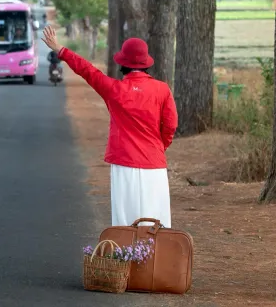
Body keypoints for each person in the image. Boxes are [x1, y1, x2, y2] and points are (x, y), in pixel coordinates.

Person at [41, 26, 178, 228]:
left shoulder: (114, 89)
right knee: (157, 222)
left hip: (124, 163)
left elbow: (87, 71)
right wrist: (157, 148)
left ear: (122, 63)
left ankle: (126, 258)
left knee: (125, 222)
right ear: (146, 63)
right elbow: (170, 126)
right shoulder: (162, 90)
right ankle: (156, 259)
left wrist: (60, 49)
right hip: (154, 165)